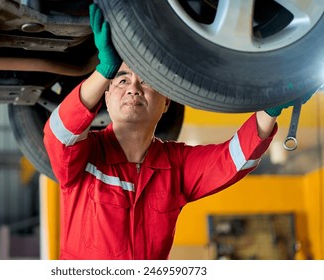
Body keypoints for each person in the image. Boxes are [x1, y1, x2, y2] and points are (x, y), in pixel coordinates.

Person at [43, 4, 314, 260]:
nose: (133, 89)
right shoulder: (85, 159)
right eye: (122, 80)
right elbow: (58, 133)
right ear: (106, 96)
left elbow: (234, 160)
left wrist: (273, 105)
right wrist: (104, 71)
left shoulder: (176, 167)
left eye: (146, 81)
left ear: (166, 101)